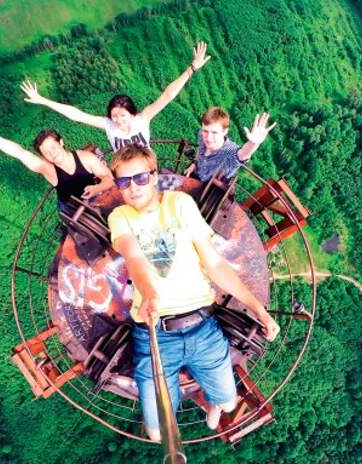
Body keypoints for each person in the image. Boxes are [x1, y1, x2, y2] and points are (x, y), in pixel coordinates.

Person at [107, 145, 280, 441]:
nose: (133, 188)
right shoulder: (120, 216)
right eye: (123, 182)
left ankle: (213, 401)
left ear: (153, 175)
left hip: (202, 327)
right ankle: (197, 391)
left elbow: (214, 264)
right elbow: (133, 257)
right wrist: (148, 293)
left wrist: (259, 311)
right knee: (158, 434)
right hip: (155, 334)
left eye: (140, 178)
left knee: (228, 404)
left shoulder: (179, 203)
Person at [20, 42, 211, 152]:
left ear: (132, 113)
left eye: (122, 115)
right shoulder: (108, 125)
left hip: (147, 168)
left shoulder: (142, 119)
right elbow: (76, 115)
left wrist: (192, 68)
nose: (118, 120)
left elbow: (168, 95)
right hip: (124, 173)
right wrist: (43, 100)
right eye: (114, 116)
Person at [0, 117, 113, 214]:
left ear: (61, 142)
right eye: (46, 152)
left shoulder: (85, 158)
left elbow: (109, 177)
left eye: (53, 147)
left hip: (96, 198)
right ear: (44, 156)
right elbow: (20, 153)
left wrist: (98, 188)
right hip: (71, 210)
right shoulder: (49, 170)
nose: (52, 153)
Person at [184, 107, 277, 182]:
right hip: (195, 175)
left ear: (225, 131)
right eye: (205, 131)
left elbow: (243, 154)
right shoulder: (201, 135)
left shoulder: (230, 151)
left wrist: (253, 142)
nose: (208, 137)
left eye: (214, 132)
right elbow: (200, 150)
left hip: (211, 191)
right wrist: (194, 164)